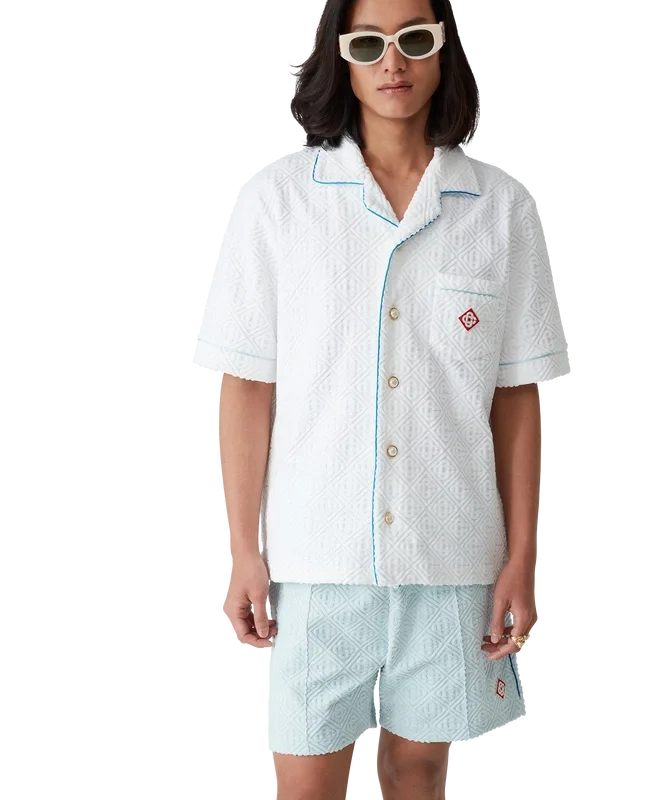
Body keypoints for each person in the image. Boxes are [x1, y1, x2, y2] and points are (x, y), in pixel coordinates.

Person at [194, 0, 569, 796]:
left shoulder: (504, 206)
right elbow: (246, 386)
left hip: (452, 556)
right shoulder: (276, 199)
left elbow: (516, 398)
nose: (392, 61)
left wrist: (520, 559)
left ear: (444, 51)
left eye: (414, 40)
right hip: (310, 562)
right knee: (306, 782)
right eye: (368, 43)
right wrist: (243, 552)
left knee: (419, 771)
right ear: (340, 56)